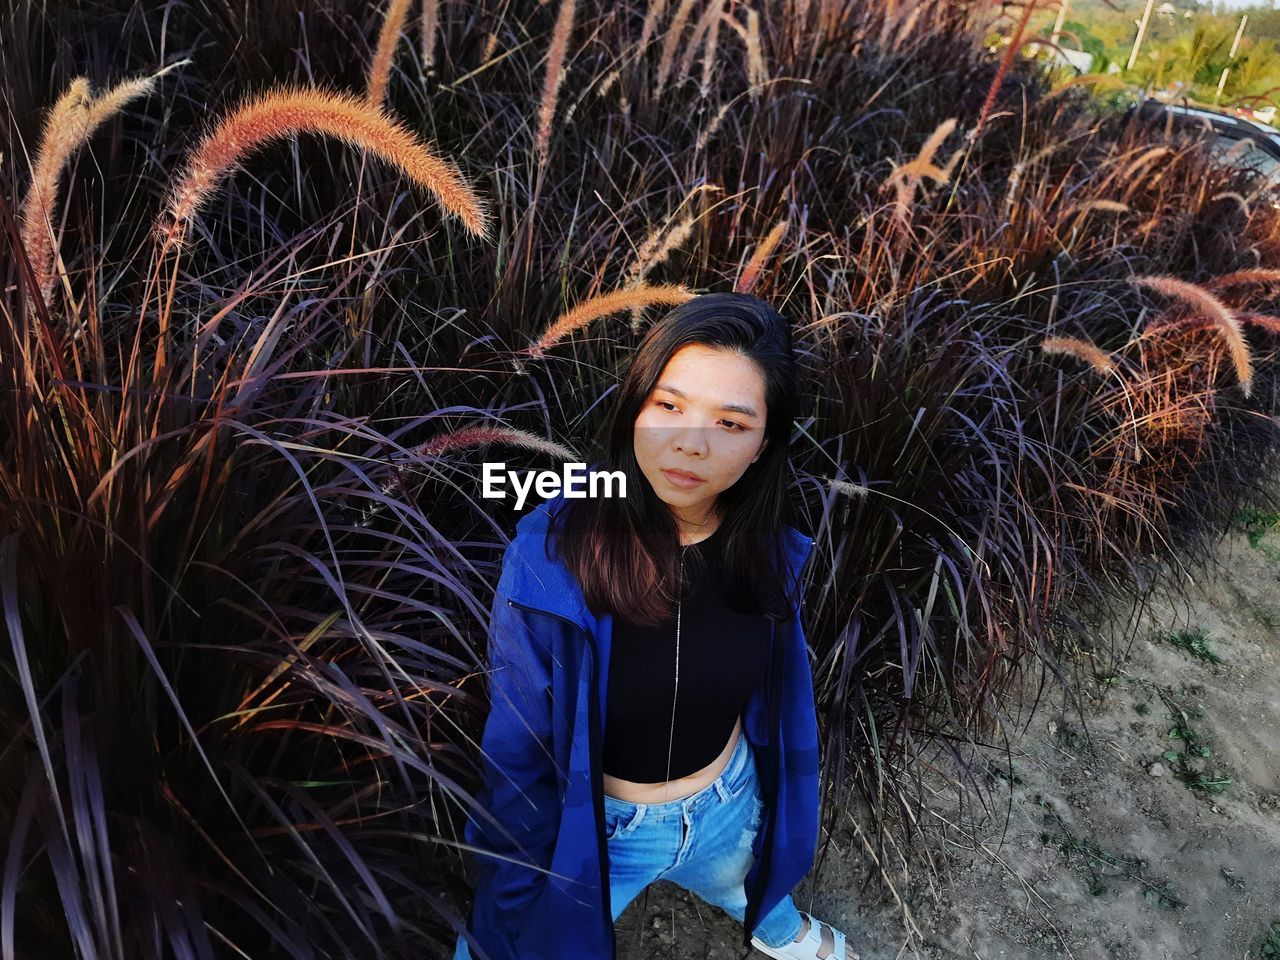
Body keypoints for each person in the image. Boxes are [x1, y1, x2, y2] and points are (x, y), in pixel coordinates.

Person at [451, 293, 859, 960]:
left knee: (740, 880)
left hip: (727, 804)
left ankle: (771, 920)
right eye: (668, 406)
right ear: (635, 406)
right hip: (599, 833)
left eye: (731, 423)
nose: (688, 444)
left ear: (762, 447)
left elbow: (773, 700)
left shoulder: (771, 554)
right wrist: (512, 891)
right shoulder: (551, 557)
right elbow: (517, 752)